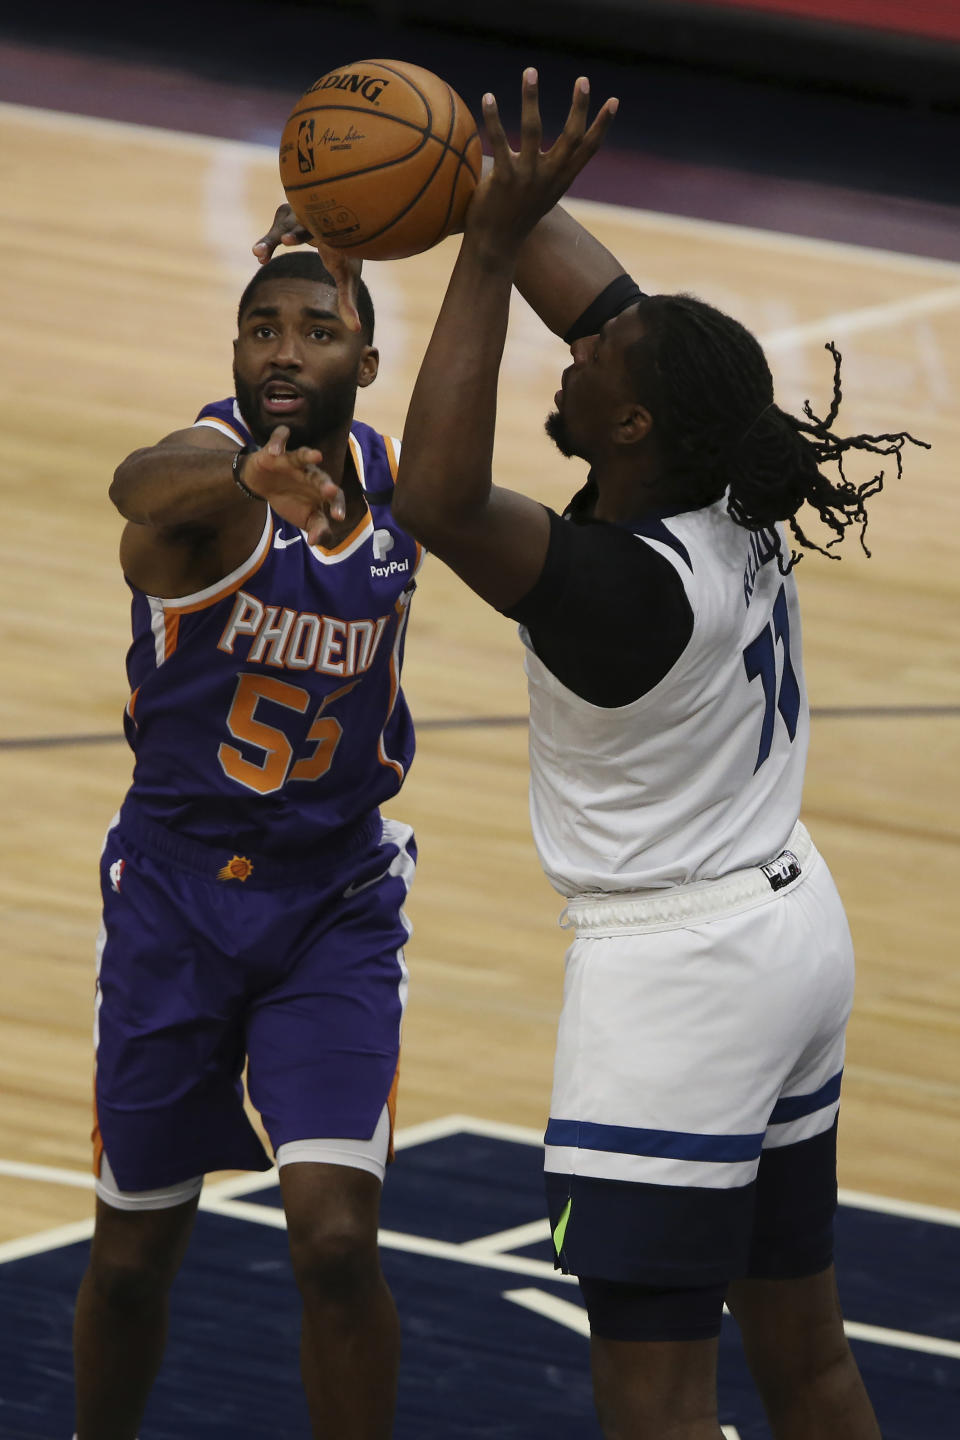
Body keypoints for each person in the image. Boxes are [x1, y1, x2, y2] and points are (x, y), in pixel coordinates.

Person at [390, 70, 927, 1439]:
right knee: (806, 1358)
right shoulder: (725, 484)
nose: (571, 356)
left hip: (679, 988)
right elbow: (619, 315)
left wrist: (493, 247)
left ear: (629, 427)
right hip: (791, 930)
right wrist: (471, 181)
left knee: (655, 1403)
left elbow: (438, 496)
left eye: (585, 370)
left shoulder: (624, 596)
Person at [74, 251, 422, 1440]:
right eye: (259, 330)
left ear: (367, 363)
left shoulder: (390, 470)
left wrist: (331, 234)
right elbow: (137, 483)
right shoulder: (208, 485)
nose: (284, 349)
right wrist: (244, 470)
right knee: (129, 1264)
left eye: (317, 332)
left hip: (333, 901)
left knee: (333, 1240)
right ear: (230, 356)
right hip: (175, 899)